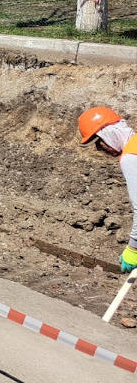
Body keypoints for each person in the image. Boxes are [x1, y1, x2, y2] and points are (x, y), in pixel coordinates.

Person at [77, 106, 137, 273]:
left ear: (108, 132)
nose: (99, 149)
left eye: (98, 141)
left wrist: (133, 249)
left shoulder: (131, 157)